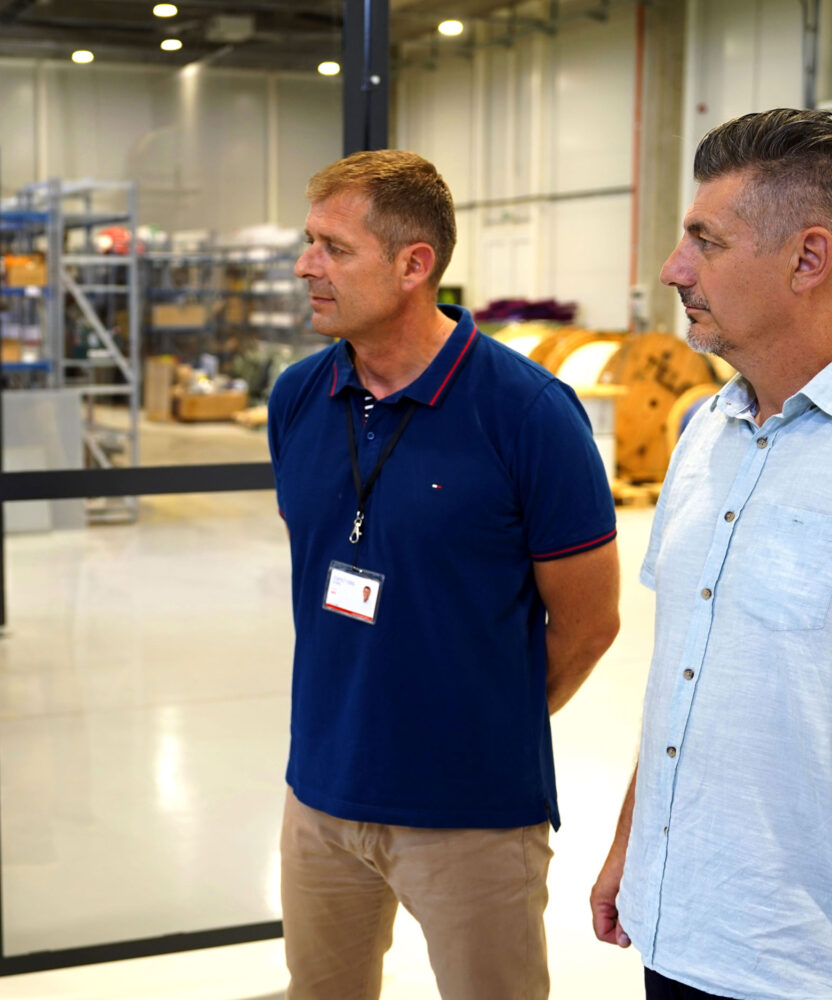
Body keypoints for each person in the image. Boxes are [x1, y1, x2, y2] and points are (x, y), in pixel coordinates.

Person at [590, 108, 832, 1000]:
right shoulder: (708, 430)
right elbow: (688, 671)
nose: (674, 269)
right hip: (677, 938)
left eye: (705, 241)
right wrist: (632, 844)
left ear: (809, 259)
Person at [268, 149, 621, 999]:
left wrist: (477, 718)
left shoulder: (528, 414)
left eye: (333, 248)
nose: (306, 266)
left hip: (471, 813)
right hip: (320, 797)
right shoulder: (297, 397)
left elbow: (589, 623)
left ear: (413, 264)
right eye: (308, 242)